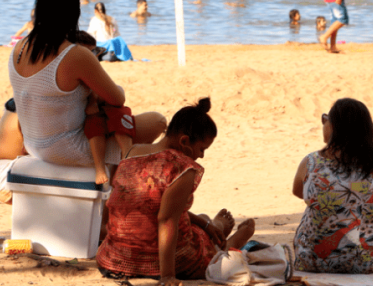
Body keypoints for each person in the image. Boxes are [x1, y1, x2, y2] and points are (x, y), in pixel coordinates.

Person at [9, 0, 165, 186]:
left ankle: (115, 176)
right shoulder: (75, 55)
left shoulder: (18, 49)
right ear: (73, 12)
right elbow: (117, 98)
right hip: (69, 150)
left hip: (34, 145)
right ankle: (117, 183)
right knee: (157, 121)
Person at [97, 98, 256, 283]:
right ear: (184, 141)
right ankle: (229, 244)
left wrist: (205, 225)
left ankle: (211, 226)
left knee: (201, 221)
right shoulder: (182, 167)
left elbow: (151, 207)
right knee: (209, 255)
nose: (201, 156)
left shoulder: (131, 153)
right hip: (161, 261)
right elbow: (166, 220)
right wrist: (167, 276)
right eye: (201, 149)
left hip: (114, 259)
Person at [292, 98, 373, 274]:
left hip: (314, 261)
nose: (324, 124)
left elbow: (298, 191)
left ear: (334, 127)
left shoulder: (311, 162)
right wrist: (360, 192)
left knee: (315, 207)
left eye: (326, 119)